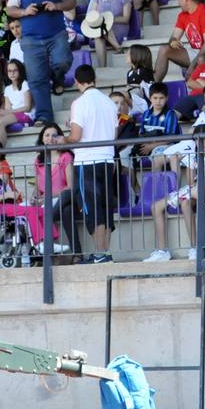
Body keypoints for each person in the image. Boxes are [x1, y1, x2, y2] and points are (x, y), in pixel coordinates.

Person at [6, 0, 74, 122]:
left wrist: (56, 6)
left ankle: (56, 77)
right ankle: (44, 116)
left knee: (63, 61)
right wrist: (24, 11)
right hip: (30, 38)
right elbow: (10, 9)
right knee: (36, 79)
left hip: (56, 33)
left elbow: (72, 1)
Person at [62, 64, 119, 263]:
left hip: (87, 161)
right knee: (104, 207)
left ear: (77, 82)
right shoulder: (110, 103)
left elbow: (76, 136)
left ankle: (100, 254)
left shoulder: (79, 103)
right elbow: (114, 133)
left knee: (92, 210)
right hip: (107, 160)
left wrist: (64, 139)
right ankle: (105, 253)